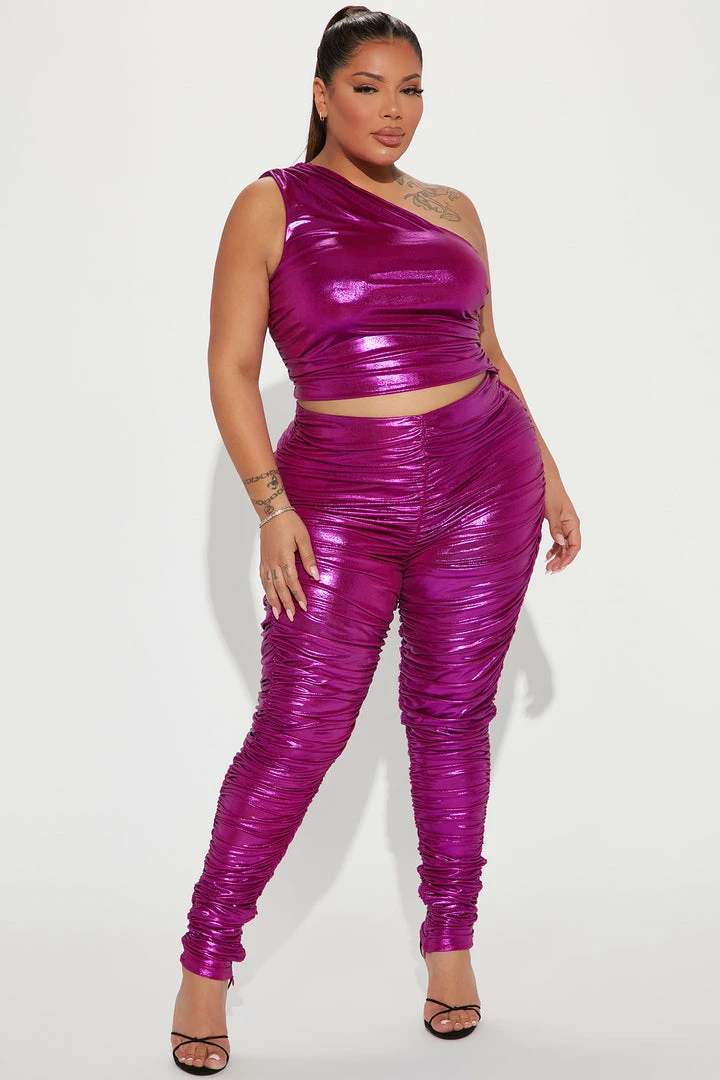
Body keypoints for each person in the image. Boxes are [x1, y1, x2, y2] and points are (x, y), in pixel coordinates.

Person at [170, 5, 581, 1073]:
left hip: (485, 483)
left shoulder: (452, 209)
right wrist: (271, 508)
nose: (393, 111)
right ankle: (206, 963)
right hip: (335, 501)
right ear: (322, 94)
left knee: (452, 721)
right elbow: (228, 366)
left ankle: (451, 948)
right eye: (367, 87)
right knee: (299, 731)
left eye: (410, 89)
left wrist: (548, 474)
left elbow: (488, 350)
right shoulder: (271, 205)